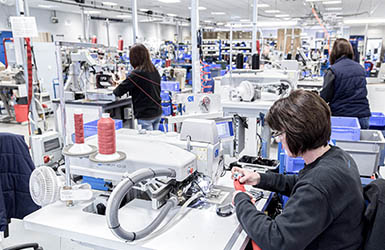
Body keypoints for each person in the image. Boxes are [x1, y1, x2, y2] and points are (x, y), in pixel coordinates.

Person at [232, 90, 365, 250]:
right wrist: (260, 178)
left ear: (297, 132)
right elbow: (302, 182)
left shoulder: (318, 184)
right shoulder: (337, 157)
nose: (278, 139)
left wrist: (241, 201)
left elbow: (276, 240)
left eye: (280, 133)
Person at [320, 38, 371, 129]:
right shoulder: (360, 68)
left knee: (341, 143)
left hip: (342, 116)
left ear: (334, 52)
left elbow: (325, 96)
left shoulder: (333, 70)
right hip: (363, 115)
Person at [113, 44, 162, 131]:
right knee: (155, 141)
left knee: (148, 142)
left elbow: (118, 92)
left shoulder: (136, 74)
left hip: (146, 115)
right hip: (157, 112)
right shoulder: (154, 70)